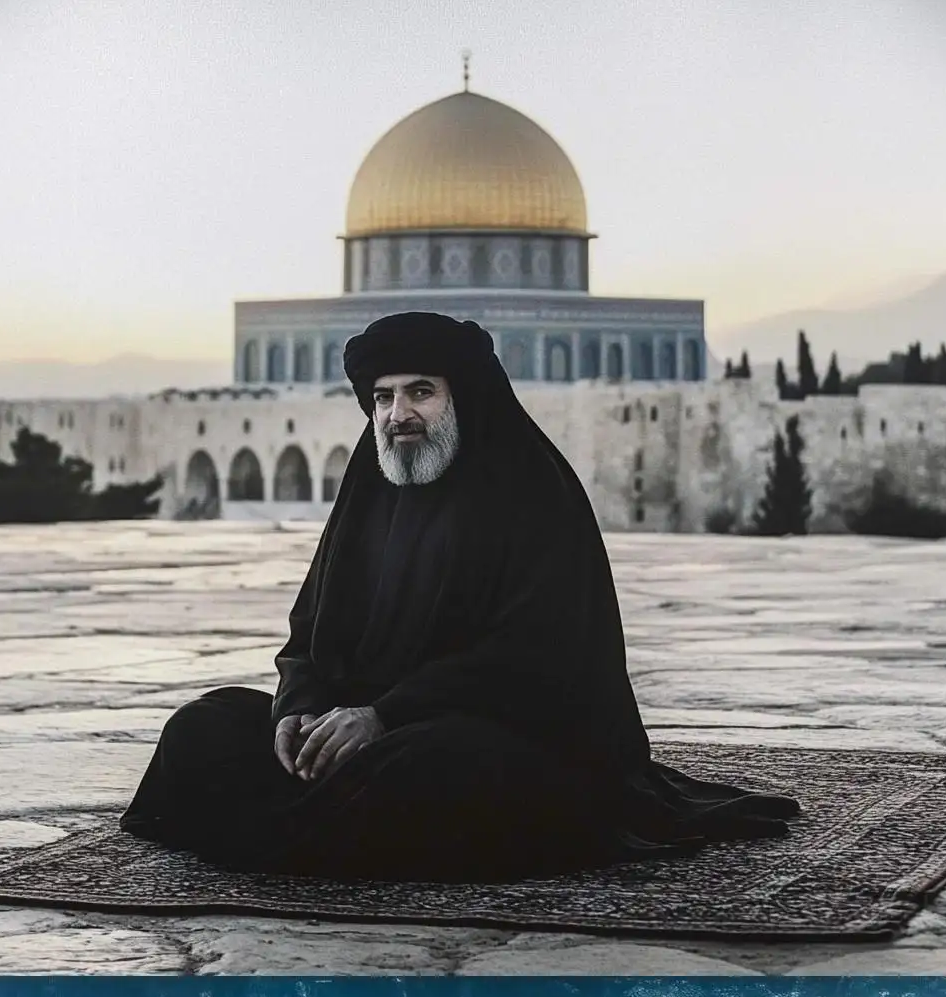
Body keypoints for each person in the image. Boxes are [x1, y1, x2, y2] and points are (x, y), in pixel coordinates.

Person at [123, 312, 798, 880]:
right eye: (384, 397)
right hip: (363, 732)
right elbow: (309, 631)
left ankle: (273, 832)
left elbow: (537, 659)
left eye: (422, 392)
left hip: (505, 737)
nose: (399, 415)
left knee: (428, 768)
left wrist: (384, 716)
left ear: (463, 398)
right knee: (204, 727)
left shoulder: (529, 490)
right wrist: (298, 710)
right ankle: (303, 828)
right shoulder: (371, 490)